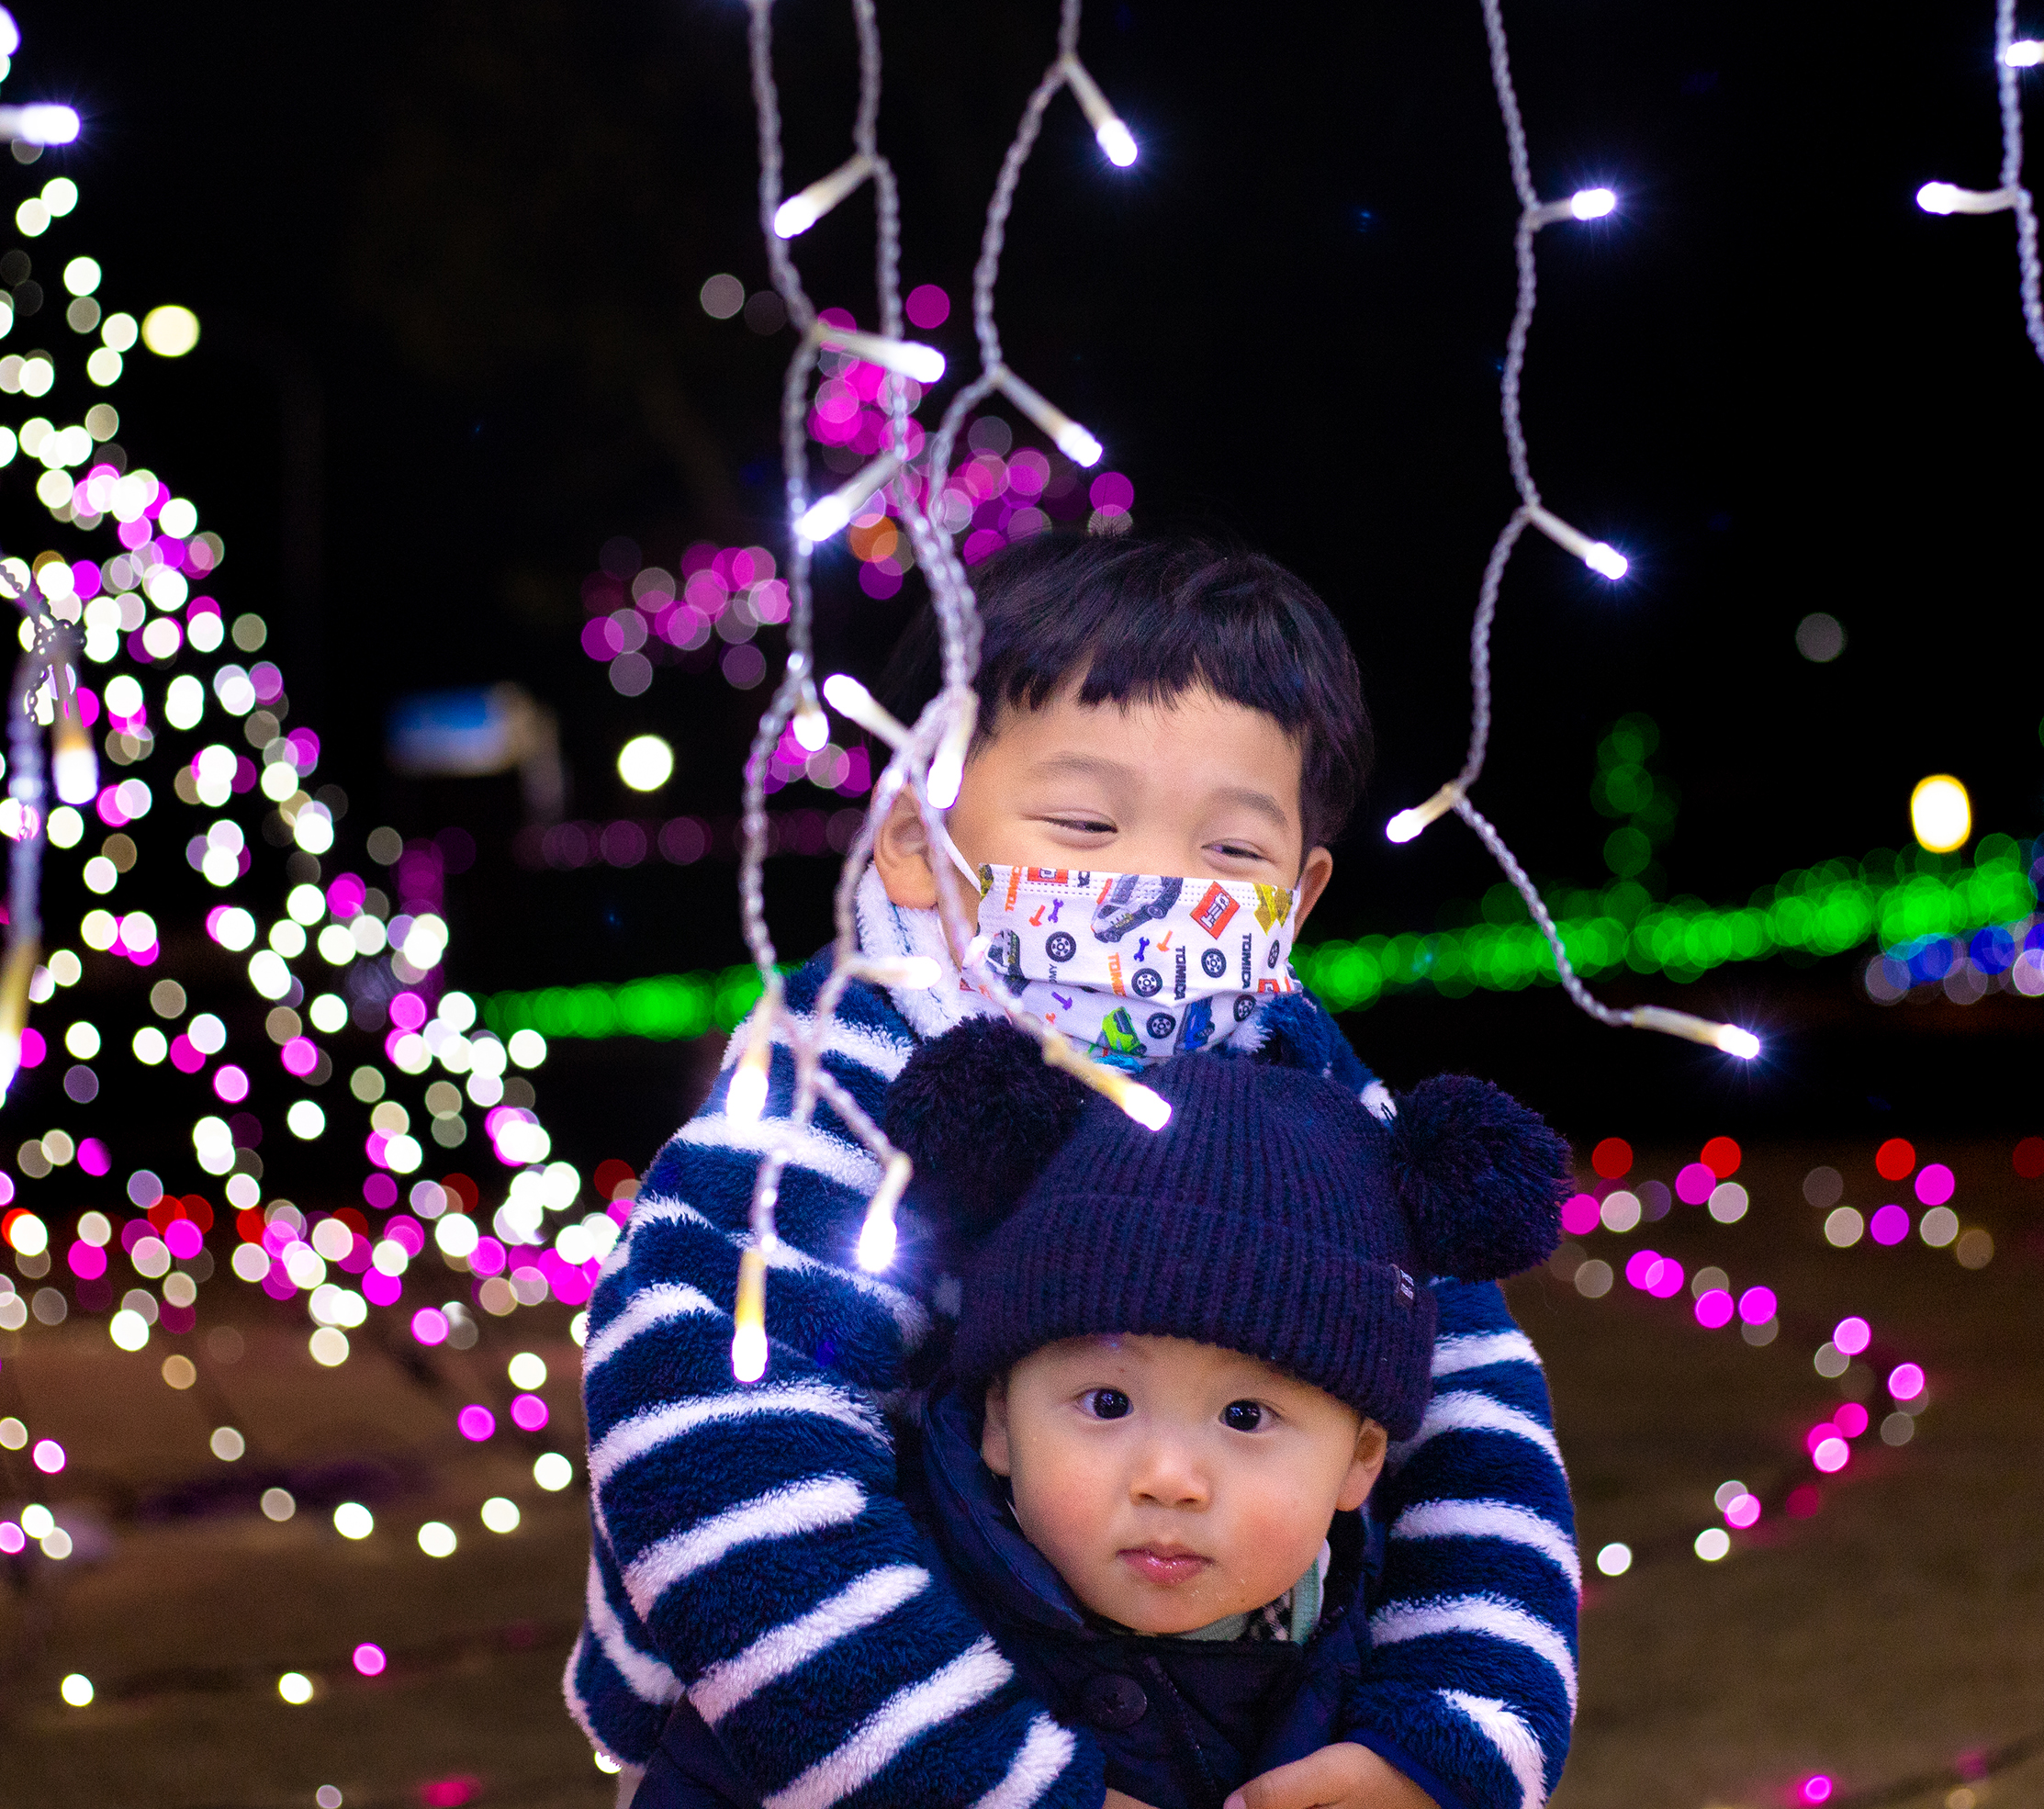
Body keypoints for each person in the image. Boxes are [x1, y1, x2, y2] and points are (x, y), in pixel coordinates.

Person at [570, 534, 1580, 1809]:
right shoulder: (834, 1085)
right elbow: (715, 1440)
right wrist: (997, 1785)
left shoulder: (1295, 1078)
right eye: (1085, 826)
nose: (1154, 886)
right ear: (916, 842)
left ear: (1300, 898)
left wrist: (1449, 1734)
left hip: (1215, 1719)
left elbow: (1470, 1413)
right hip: (804, 1742)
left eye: (1230, 856)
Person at [634, 1023, 1571, 1809]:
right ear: (998, 1416)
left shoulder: (1379, 1663)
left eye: (1247, 1413)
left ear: (1363, 1457)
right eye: (1107, 1402)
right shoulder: (869, 1637)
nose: (1169, 1474)